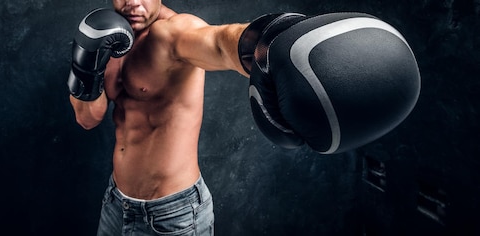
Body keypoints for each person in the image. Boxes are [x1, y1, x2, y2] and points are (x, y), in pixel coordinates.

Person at [67, 0, 420, 235]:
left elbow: (220, 41)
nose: (133, 2)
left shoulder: (173, 35)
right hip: (116, 203)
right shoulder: (107, 37)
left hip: (172, 217)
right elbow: (88, 118)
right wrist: (86, 65)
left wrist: (273, 40)